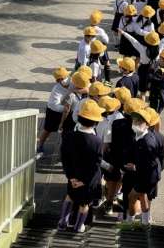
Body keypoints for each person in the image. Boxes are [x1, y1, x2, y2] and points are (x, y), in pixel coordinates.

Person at [58, 99, 104, 233]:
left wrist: (71, 176)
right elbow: (96, 165)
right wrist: (84, 181)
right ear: (95, 122)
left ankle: (62, 223)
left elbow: (64, 157)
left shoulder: (68, 136)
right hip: (89, 180)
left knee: (70, 196)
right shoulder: (97, 142)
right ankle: (78, 227)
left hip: (73, 175)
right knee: (85, 204)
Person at [126, 108, 164, 227]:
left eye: (139, 121)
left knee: (132, 196)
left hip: (146, 176)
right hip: (148, 174)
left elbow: (148, 165)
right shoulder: (141, 136)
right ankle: (145, 223)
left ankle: (129, 222)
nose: (135, 123)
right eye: (135, 120)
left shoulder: (146, 143)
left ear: (147, 124)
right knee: (143, 197)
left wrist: (135, 167)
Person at [96, 96, 124, 214]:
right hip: (105, 154)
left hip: (103, 154)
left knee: (106, 177)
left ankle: (106, 198)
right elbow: (106, 144)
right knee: (109, 177)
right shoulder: (117, 118)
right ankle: (107, 197)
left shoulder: (98, 119)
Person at [118, 30, 160, 101]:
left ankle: (142, 104)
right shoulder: (158, 50)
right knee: (150, 88)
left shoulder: (143, 49)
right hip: (153, 69)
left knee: (142, 92)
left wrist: (123, 33)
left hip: (143, 70)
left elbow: (133, 40)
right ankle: (150, 100)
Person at [37, 67, 71, 154]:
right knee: (47, 130)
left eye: (66, 76)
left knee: (65, 130)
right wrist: (65, 108)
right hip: (53, 112)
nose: (66, 79)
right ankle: (40, 145)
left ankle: (64, 148)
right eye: (62, 78)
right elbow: (54, 106)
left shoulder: (72, 82)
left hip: (66, 110)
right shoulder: (56, 89)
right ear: (58, 81)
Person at [58, 71, 91, 136]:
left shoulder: (72, 95)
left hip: (72, 118)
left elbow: (66, 111)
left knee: (67, 135)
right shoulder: (90, 91)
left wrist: (61, 123)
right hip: (83, 117)